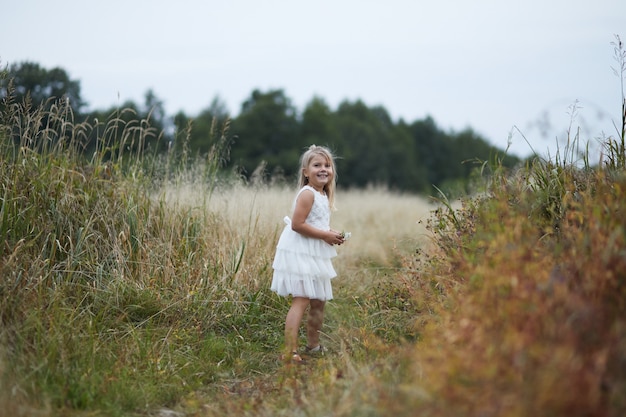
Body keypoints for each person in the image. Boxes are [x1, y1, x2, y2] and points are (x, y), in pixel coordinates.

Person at [271, 145, 345, 364]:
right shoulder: (307, 193)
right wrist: (324, 235)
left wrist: (331, 234)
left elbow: (317, 223)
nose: (323, 169)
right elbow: (297, 225)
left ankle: (313, 345)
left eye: (327, 165)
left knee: (319, 301)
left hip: (315, 251)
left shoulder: (323, 194)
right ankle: (289, 350)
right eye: (317, 165)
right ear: (305, 172)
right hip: (300, 250)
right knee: (301, 299)